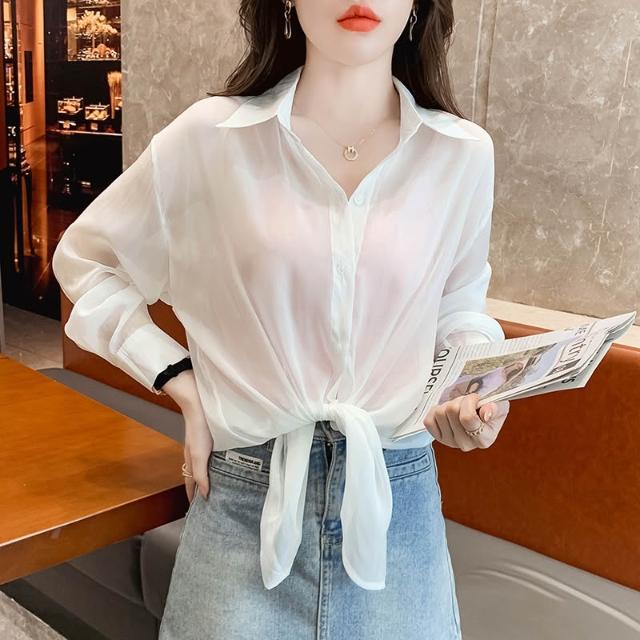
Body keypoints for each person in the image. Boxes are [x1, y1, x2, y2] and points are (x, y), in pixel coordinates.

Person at [51, 0, 511, 637]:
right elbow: (87, 260)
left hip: (397, 503)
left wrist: (471, 388)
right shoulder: (212, 137)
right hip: (245, 495)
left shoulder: (460, 153)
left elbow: (459, 305)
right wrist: (180, 382)